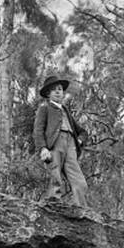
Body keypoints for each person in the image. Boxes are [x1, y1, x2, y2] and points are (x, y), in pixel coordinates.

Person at [33, 75, 88, 208]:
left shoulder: (66, 111)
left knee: (79, 180)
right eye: (54, 90)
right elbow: (38, 130)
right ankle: (54, 205)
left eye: (60, 89)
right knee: (55, 175)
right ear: (48, 93)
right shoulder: (44, 108)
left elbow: (82, 132)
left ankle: (81, 208)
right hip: (54, 144)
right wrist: (43, 148)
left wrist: (79, 141)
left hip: (70, 145)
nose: (58, 92)